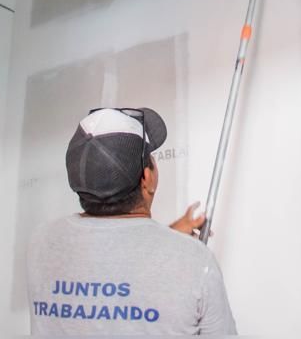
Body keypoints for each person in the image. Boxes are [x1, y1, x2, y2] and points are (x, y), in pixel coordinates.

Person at [27, 107, 237, 335]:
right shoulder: (196, 262)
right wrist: (178, 249)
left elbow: (107, 265)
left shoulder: (42, 243)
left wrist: (172, 238)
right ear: (147, 178)